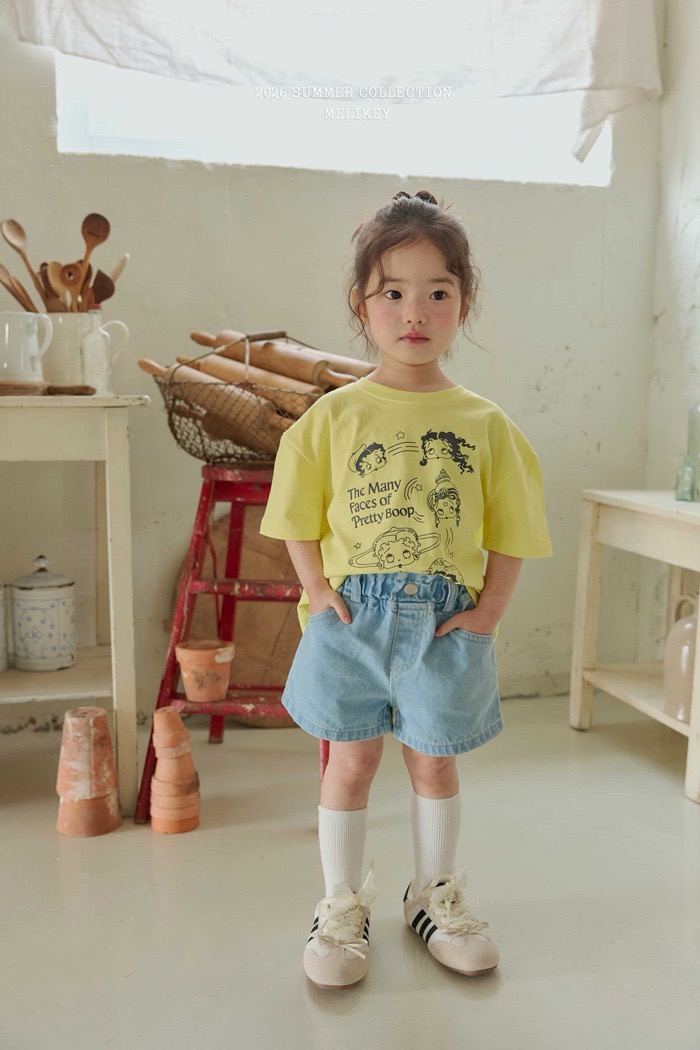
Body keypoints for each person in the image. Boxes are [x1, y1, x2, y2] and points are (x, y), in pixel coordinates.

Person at [259, 189, 552, 989]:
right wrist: (317, 588)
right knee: (349, 762)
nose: (414, 311)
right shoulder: (332, 418)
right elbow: (295, 513)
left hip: (444, 625)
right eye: (392, 291)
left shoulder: (486, 425)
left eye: (437, 292)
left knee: (434, 764)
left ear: (464, 305)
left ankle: (434, 896)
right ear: (362, 304)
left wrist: (489, 612)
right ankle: (339, 904)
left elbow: (514, 529)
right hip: (352, 619)